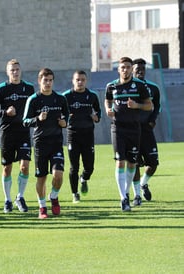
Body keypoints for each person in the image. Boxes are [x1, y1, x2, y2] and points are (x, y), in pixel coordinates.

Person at [104, 57, 153, 212]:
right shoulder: (111, 85)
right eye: (122, 67)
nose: (125, 69)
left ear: (132, 69)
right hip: (118, 128)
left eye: (127, 67)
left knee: (132, 164)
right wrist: (108, 109)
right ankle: (123, 198)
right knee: (120, 162)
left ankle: (127, 192)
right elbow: (107, 100)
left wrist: (136, 105)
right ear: (118, 69)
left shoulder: (140, 86)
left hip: (134, 128)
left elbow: (149, 106)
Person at [23, 68, 69, 219]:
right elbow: (25, 121)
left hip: (56, 142)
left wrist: (64, 123)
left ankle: (54, 196)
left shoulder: (60, 99)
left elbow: (66, 118)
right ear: (39, 81)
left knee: (58, 175)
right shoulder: (33, 99)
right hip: (40, 143)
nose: (48, 83)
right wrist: (38, 119)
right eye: (45, 80)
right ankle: (42, 207)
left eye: (50, 80)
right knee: (41, 178)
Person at [0, 59, 34, 213]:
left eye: (17, 69)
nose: (15, 72)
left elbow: (33, 108)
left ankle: (20, 197)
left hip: (23, 132)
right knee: (7, 168)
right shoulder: (1, 89)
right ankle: (7, 199)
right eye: (12, 70)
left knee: (25, 166)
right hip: (7, 132)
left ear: (21, 71)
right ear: (7, 72)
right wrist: (5, 113)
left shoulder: (29, 88)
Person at [62, 70, 101, 203]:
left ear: (86, 81)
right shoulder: (66, 96)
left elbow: (98, 113)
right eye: (77, 79)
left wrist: (95, 117)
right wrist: (64, 118)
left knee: (89, 167)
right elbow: (59, 112)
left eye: (83, 79)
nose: (80, 82)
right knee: (74, 167)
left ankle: (83, 179)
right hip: (73, 134)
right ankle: (75, 193)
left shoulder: (92, 96)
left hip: (88, 135)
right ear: (73, 81)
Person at [131, 58, 161, 204]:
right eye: (137, 69)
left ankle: (143, 183)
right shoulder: (128, 87)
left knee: (153, 163)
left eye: (142, 69)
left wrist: (152, 120)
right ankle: (137, 195)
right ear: (132, 70)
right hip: (132, 130)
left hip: (147, 130)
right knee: (134, 163)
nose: (140, 71)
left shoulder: (153, 88)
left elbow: (157, 106)